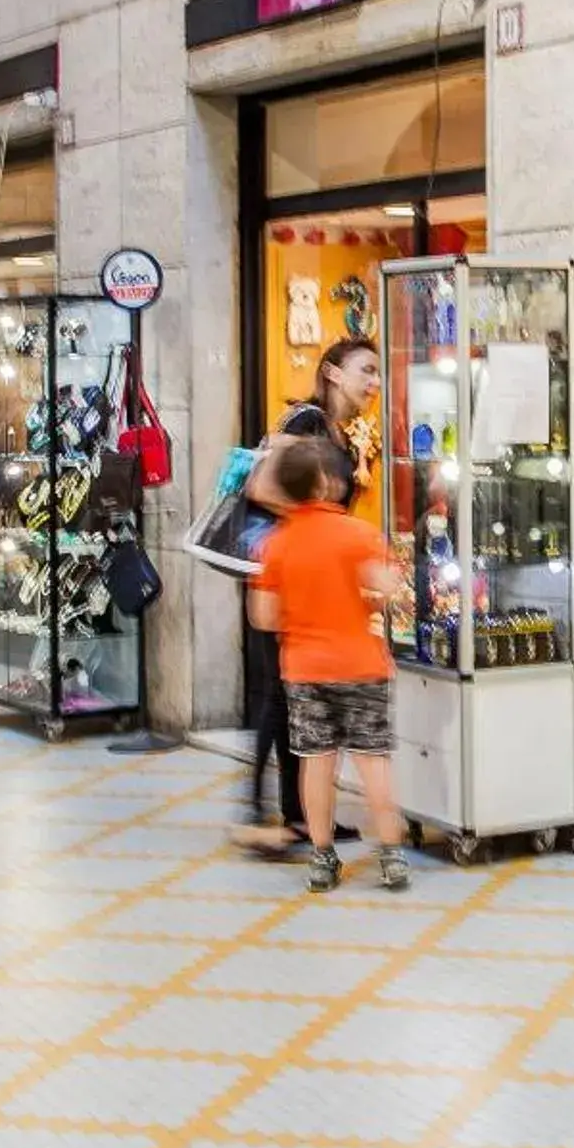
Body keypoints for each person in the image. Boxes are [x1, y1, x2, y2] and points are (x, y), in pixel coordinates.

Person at [232, 335, 382, 856]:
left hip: (302, 571)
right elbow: (261, 487)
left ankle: (294, 814)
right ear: (333, 372)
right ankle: (266, 811)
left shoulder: (339, 430)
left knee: (292, 696)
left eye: (377, 372)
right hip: (286, 571)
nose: (374, 382)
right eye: (366, 370)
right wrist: (312, 534)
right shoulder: (307, 421)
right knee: (282, 696)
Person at [249, 439, 408, 894]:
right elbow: (386, 587)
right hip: (361, 664)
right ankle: (391, 856)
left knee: (316, 765)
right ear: (325, 483)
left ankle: (322, 858)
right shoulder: (358, 535)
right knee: (372, 762)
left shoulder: (275, 545)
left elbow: (264, 615)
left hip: (303, 670)